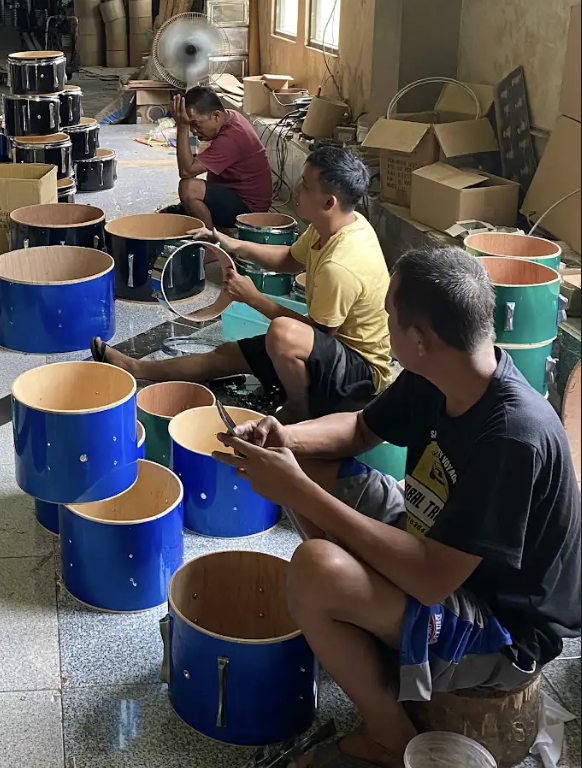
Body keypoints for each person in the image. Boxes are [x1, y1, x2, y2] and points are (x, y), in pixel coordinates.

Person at [213, 247, 581, 768]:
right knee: (307, 465)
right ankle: (352, 610)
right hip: (433, 541)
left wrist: (297, 492)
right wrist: (286, 438)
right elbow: (361, 428)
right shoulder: (441, 372)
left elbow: (432, 581)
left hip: (501, 626)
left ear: (420, 339)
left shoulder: (513, 437)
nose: (383, 324)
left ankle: (388, 736)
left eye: (389, 314)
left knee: (316, 566)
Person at [94, 145, 392, 423]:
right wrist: (230, 242)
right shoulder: (335, 223)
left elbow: (314, 335)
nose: (297, 191)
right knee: (227, 355)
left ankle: (300, 411)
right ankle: (135, 367)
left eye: (304, 186)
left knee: (282, 334)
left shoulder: (340, 265)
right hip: (329, 348)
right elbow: (289, 259)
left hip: (360, 373)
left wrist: (253, 297)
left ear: (329, 202)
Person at [161, 86, 273, 229]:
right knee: (168, 217)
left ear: (216, 116)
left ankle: (209, 238)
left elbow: (186, 171)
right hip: (232, 195)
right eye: (189, 125)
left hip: (249, 210)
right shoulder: (229, 116)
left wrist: (182, 127)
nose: (193, 131)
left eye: (195, 124)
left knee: (189, 188)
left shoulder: (232, 137)